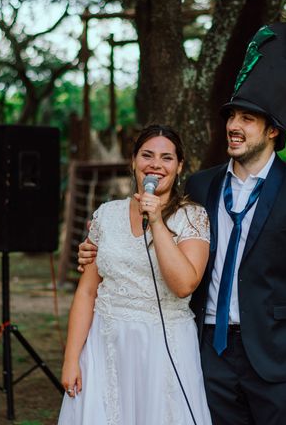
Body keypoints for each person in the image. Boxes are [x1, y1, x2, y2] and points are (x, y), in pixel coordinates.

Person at [184, 23, 286, 424]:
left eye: (247, 118)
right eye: (231, 116)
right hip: (208, 353)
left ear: (273, 130)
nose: (234, 125)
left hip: (278, 360)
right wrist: (100, 249)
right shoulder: (201, 185)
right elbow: (165, 246)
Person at [59, 124, 212, 424]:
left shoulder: (193, 217)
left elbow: (184, 285)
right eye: (147, 155)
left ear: (179, 166)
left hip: (164, 349)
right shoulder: (106, 214)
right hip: (106, 345)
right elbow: (87, 292)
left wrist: (156, 219)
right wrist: (71, 359)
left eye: (167, 158)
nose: (155, 164)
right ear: (133, 161)